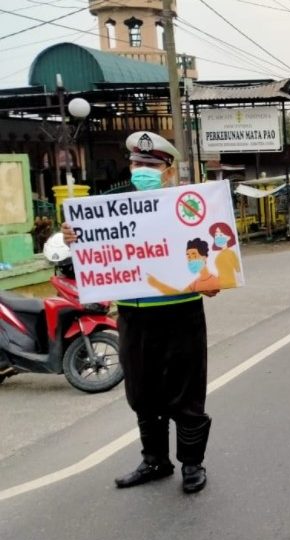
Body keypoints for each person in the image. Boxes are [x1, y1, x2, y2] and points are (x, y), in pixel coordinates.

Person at [62, 131, 218, 494]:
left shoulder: (190, 207)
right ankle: (155, 460)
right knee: (142, 392)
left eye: (150, 164)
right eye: (136, 163)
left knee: (187, 392)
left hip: (181, 313)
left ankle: (192, 464)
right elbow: (87, 251)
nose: (142, 170)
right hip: (133, 316)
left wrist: (213, 276)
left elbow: (211, 268)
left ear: (167, 170)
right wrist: (73, 236)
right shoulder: (109, 205)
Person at [208, 222, 241, 288]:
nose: (218, 238)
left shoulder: (231, 253)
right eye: (216, 235)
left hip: (230, 283)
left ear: (229, 237)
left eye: (221, 235)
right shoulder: (218, 254)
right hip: (221, 284)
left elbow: (238, 270)